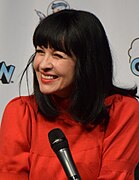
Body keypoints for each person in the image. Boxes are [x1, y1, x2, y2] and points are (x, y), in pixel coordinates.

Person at [0, 9, 139, 180]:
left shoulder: (122, 111)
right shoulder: (21, 112)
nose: (43, 65)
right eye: (40, 51)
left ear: (87, 62)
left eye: (57, 55)